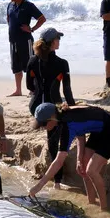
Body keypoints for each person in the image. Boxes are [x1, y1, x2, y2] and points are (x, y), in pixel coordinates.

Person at [28, 103, 110, 210]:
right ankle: (91, 203)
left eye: (43, 124)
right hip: (99, 130)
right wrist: (79, 160)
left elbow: (59, 161)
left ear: (52, 118)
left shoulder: (67, 124)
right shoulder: (62, 118)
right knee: (84, 167)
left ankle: (104, 209)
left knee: (91, 170)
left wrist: (39, 186)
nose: (43, 127)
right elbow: (80, 135)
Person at [26, 28, 76, 189]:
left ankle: (56, 178)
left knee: (51, 137)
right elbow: (66, 90)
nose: (59, 41)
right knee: (56, 141)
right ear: (52, 42)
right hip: (54, 107)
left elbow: (29, 86)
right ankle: (58, 181)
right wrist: (73, 108)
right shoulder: (62, 63)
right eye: (58, 39)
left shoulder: (32, 61)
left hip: (35, 107)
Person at [4, 0, 47, 97]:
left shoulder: (28, 5)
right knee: (16, 67)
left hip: (25, 41)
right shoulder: (10, 5)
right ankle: (18, 90)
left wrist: (32, 29)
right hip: (13, 41)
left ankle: (33, 89)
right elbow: (8, 19)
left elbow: (42, 19)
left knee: (30, 65)